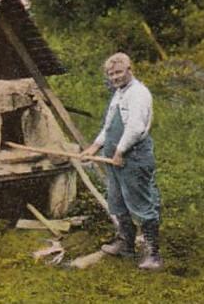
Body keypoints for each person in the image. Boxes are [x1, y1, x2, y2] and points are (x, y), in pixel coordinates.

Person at [81, 52, 163, 270]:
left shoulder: (139, 93)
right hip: (114, 157)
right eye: (111, 74)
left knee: (141, 204)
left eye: (118, 72)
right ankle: (125, 244)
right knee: (116, 202)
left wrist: (120, 151)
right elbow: (109, 127)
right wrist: (93, 147)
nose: (115, 77)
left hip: (133, 156)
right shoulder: (118, 94)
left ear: (129, 69)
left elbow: (136, 127)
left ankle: (153, 254)